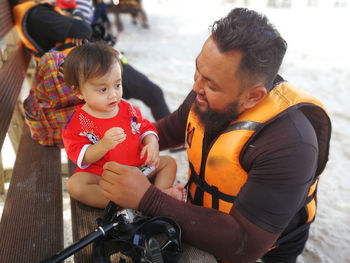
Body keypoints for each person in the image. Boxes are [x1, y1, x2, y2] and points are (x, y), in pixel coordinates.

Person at [98, 8, 332, 263]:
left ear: (253, 96)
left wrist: (149, 198)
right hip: (206, 214)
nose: (197, 86)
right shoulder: (205, 94)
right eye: (198, 69)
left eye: (211, 84)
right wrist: (117, 146)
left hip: (266, 247)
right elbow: (170, 129)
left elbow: (245, 244)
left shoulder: (290, 145)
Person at [61, 42, 185, 208]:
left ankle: (158, 200)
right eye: (103, 89)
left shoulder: (128, 109)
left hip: (138, 168)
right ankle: (126, 204)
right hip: (106, 176)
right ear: (79, 92)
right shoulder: (78, 122)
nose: (113, 94)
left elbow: (145, 127)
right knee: (75, 185)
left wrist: (151, 142)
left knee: (169, 162)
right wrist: (103, 145)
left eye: (117, 85)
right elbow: (82, 156)